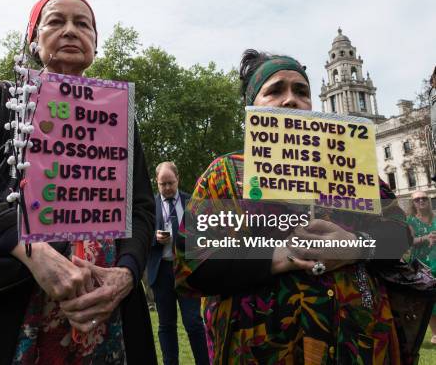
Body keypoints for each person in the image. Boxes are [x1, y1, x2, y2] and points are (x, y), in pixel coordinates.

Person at [0, 0, 157, 364]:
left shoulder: (119, 117)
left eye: (83, 24)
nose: (70, 31)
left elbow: (142, 209)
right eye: (55, 21)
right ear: (33, 40)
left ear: (95, 45)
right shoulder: (3, 99)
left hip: (105, 311)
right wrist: (32, 252)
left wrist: (126, 274)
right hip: (7, 309)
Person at [175, 50, 411, 364]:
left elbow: (400, 235)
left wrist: (356, 246)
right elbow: (191, 267)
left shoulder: (355, 171)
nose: (290, 100)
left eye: (301, 92)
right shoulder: (226, 175)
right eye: (275, 91)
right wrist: (277, 256)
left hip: (359, 347)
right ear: (251, 108)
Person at [147, 161, 209, 365]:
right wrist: (154, 238)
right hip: (161, 271)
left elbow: (203, 236)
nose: (166, 188)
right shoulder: (149, 206)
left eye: (170, 183)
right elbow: (141, 237)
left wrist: (181, 238)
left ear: (178, 179)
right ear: (156, 183)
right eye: (162, 184)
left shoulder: (192, 202)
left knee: (193, 323)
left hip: (186, 270)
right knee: (166, 325)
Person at [406, 190, 436, 343]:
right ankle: (435, 333)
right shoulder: (410, 221)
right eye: (417, 200)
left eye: (424, 198)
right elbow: (409, 242)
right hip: (423, 263)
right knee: (429, 298)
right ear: (413, 203)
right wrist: (426, 238)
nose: (421, 201)